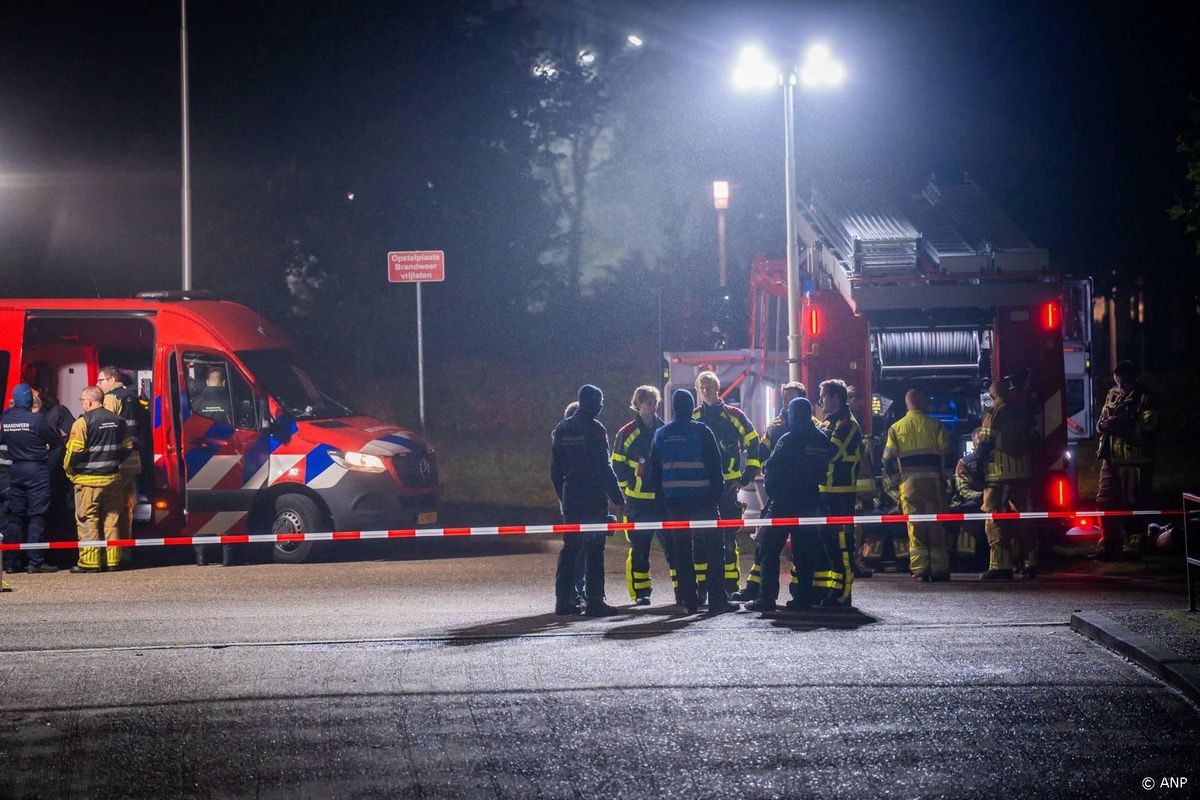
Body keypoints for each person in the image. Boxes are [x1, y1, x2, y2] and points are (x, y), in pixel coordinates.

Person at [746, 397, 838, 614]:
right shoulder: (822, 441)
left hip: (784, 502)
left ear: (793, 415)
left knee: (769, 549)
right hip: (810, 501)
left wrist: (773, 493)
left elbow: (771, 468)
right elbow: (825, 467)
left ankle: (766, 598)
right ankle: (803, 598)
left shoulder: (787, 439)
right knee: (805, 552)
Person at [646, 389, 731, 614]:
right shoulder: (702, 431)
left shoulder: (661, 433)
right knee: (714, 549)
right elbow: (715, 466)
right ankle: (717, 600)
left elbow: (654, 470)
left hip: (675, 502)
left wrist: (661, 499)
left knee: (682, 550)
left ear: (673, 407)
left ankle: (688, 600)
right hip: (703, 498)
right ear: (691, 405)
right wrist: (716, 495)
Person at [550, 385, 624, 617]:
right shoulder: (595, 429)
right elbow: (604, 468)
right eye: (600, 401)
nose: (601, 405)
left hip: (571, 494)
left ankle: (563, 600)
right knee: (594, 550)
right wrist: (618, 498)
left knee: (570, 548)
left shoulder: (562, 428)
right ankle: (594, 601)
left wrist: (564, 495)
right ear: (591, 402)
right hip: (592, 496)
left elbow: (555, 470)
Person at [692, 370, 763, 601]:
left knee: (727, 537)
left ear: (717, 388)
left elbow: (753, 442)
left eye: (709, 385)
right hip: (701, 487)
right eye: (702, 386)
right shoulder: (694, 417)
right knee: (700, 537)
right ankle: (702, 587)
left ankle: (730, 584)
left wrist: (747, 475)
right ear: (697, 389)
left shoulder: (733, 415)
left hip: (727, 487)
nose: (705, 389)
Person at [733, 381, 806, 603]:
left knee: (800, 548)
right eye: (783, 398)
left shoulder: (810, 424)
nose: (785, 403)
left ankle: (799, 593)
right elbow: (762, 452)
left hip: (799, 495)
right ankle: (756, 587)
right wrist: (746, 470)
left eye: (790, 398)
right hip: (776, 495)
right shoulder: (775, 426)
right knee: (764, 542)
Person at [611, 385, 676, 606]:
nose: (652, 405)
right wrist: (624, 491)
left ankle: (681, 589)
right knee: (640, 549)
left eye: (655, 401)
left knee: (673, 547)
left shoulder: (665, 430)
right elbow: (617, 465)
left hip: (662, 501)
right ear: (637, 404)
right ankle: (641, 593)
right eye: (648, 401)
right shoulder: (626, 433)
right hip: (638, 503)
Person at [881, 389, 952, 581]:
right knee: (936, 526)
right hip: (933, 485)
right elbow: (947, 453)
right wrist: (947, 482)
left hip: (909, 486)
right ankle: (939, 570)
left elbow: (887, 461)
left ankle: (920, 570)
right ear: (923, 403)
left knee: (915, 527)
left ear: (907, 404)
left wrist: (895, 486)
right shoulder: (935, 425)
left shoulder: (896, 428)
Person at [1095, 360, 1158, 560]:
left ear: (1133, 378)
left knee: (1133, 504)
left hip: (1135, 460)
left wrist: (1122, 426)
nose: (1121, 387)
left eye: (1124, 383)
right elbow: (1102, 419)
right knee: (1105, 501)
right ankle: (1109, 545)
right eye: (1118, 382)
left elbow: (1149, 427)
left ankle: (1134, 547)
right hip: (1111, 458)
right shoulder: (1112, 394)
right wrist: (1104, 426)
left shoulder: (1146, 397)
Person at [976, 382, 1039, 579]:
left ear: (993, 397)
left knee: (996, 521)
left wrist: (977, 466)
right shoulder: (1024, 414)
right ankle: (1030, 564)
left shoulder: (993, 415)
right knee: (1025, 520)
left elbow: (984, 446)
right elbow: (1035, 439)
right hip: (1023, 476)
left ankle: (1000, 567)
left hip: (998, 477)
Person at [64, 386, 130, 573]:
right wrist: (113, 462)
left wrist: (68, 469)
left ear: (91, 401)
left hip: (88, 481)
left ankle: (90, 562)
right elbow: (128, 447)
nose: (82, 403)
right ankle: (113, 560)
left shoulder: (83, 422)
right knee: (112, 519)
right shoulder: (119, 421)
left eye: (82, 400)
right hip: (113, 479)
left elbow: (74, 451)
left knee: (87, 519)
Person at [0, 384, 63, 575]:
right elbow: (55, 441)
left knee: (14, 515)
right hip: (36, 470)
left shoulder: (6, 418)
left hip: (15, 469)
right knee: (37, 515)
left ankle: (11, 562)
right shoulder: (37, 419)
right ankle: (35, 562)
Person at [816, 379, 863, 607]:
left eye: (823, 396)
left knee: (842, 544)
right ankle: (833, 590)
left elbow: (827, 451)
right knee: (829, 543)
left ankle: (843, 594)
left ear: (835, 397)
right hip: (827, 492)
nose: (820, 400)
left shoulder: (846, 424)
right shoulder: (830, 422)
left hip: (841, 494)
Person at [949, 428, 986, 569]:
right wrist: (982, 496)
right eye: (978, 443)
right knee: (970, 511)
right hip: (970, 501)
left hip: (991, 500)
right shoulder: (964, 463)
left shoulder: (995, 461)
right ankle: (966, 558)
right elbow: (964, 491)